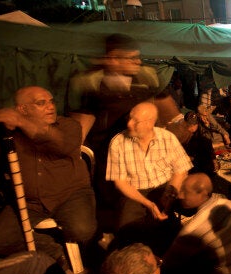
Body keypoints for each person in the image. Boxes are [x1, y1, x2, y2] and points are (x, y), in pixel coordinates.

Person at [0, 86, 96, 267]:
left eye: (51, 101)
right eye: (41, 103)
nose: (50, 107)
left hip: (70, 195)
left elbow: (61, 144)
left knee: (83, 231)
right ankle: (51, 249)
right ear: (22, 109)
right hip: (28, 201)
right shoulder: (8, 134)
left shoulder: (68, 126)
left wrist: (22, 122)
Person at [68, 33, 161, 230]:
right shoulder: (92, 87)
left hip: (139, 156)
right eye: (131, 57)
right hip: (106, 157)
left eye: (138, 57)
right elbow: (81, 126)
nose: (138, 61)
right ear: (113, 59)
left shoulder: (144, 83)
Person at [106, 102, 192, 230]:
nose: (129, 124)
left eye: (136, 121)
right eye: (129, 118)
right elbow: (120, 182)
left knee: (171, 231)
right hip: (134, 192)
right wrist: (148, 203)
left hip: (164, 188)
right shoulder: (118, 142)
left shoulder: (167, 138)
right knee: (126, 229)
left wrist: (169, 196)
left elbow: (181, 170)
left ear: (150, 123)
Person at [181, 111, 219, 177]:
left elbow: (210, 151)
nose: (189, 128)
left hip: (201, 162)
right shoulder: (189, 131)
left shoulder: (204, 134)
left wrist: (214, 161)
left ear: (197, 124)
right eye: (188, 125)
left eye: (192, 125)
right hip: (192, 158)